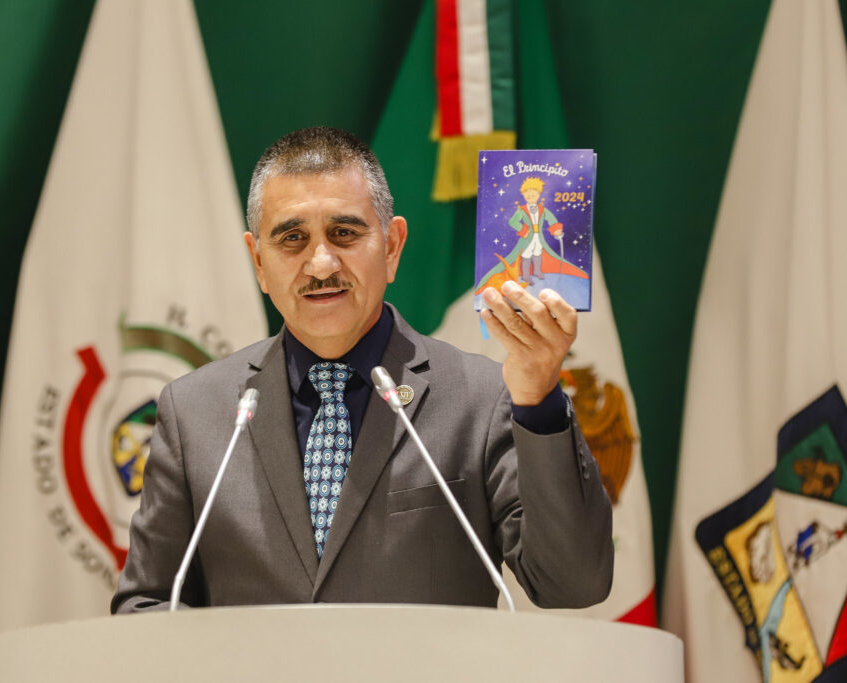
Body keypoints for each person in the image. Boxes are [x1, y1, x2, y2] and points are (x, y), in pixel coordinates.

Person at [111, 127, 612, 612]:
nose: (321, 264)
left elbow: (571, 583)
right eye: (292, 238)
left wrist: (538, 398)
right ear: (258, 262)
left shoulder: (483, 399)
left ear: (392, 246)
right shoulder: (193, 411)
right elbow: (146, 603)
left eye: (345, 233)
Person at [506, 176, 564, 283]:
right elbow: (513, 221)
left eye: (533, 195)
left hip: (538, 236)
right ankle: (525, 275)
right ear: (523, 195)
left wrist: (556, 228)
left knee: (538, 252)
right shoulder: (522, 210)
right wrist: (523, 229)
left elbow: (551, 218)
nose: (531, 198)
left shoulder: (542, 209)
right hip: (527, 237)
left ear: (538, 195)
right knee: (526, 254)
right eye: (527, 196)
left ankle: (537, 271)